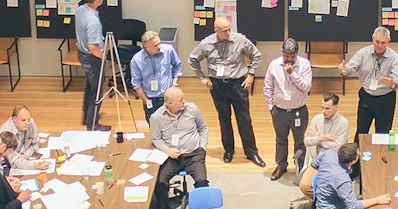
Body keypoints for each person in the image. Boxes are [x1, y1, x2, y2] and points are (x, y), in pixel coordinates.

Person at [188, 16, 264, 167]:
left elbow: (256, 54)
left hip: (238, 84)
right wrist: (202, 77)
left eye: (229, 29)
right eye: (224, 31)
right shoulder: (206, 43)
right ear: (216, 30)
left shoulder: (240, 40)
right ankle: (228, 150)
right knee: (224, 119)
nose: (228, 33)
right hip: (218, 86)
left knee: (245, 120)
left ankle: (251, 152)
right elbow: (192, 59)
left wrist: (251, 74)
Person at [147, 87, 209, 209]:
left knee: (202, 180)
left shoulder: (192, 109)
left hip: (194, 154)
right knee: (160, 180)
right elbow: (156, 139)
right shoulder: (156, 117)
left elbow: (203, 129)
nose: (184, 102)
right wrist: (166, 150)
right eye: (180, 100)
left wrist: (202, 148)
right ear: (170, 104)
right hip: (172, 157)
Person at [312, 142, 390, 209]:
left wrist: (326, 177)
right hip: (330, 207)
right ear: (353, 161)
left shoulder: (329, 154)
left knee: (372, 206)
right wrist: (377, 200)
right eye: (358, 154)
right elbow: (353, 206)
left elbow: (314, 164)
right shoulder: (342, 180)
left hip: (335, 196)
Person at [263, 38, 313, 181]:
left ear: (297, 54)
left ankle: (300, 168)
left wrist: (292, 74)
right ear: (282, 53)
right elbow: (268, 87)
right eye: (286, 56)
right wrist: (271, 107)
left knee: (300, 141)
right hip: (279, 111)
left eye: (292, 57)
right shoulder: (274, 65)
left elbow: (307, 87)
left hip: (299, 111)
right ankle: (281, 166)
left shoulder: (304, 65)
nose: (289, 60)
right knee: (280, 140)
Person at [340, 26, 398, 134]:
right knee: (361, 130)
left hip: (386, 99)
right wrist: (345, 71)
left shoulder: (394, 57)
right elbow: (350, 67)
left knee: (383, 132)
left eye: (383, 43)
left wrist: (392, 84)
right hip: (366, 96)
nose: (379, 45)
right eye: (377, 41)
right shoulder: (363, 53)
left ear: (389, 41)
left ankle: (380, 151)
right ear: (372, 39)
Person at [301, 92, 350, 198]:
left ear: (336, 107)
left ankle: (325, 203)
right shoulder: (316, 119)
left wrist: (318, 138)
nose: (323, 111)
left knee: (331, 188)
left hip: (335, 162)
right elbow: (307, 141)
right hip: (317, 161)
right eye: (322, 107)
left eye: (327, 108)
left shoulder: (343, 123)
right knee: (304, 186)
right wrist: (322, 137)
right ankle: (318, 202)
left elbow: (338, 148)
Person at [75, 0, 109, 131]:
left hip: (81, 54)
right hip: (92, 58)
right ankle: (92, 123)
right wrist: (103, 58)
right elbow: (93, 46)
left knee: (90, 86)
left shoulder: (80, 9)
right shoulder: (93, 21)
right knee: (96, 91)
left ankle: (87, 117)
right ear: (97, 0)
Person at [130, 30, 183, 123]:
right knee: (154, 128)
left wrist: (174, 83)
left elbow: (177, 66)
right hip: (150, 99)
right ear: (146, 47)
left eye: (159, 43)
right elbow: (136, 83)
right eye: (155, 45)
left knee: (172, 125)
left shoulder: (168, 50)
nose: (159, 47)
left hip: (168, 97)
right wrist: (145, 100)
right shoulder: (136, 60)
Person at [0, 105, 50, 171]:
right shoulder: (5, 135)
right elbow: (14, 162)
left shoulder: (30, 122)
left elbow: (36, 144)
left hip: (24, 158)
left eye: (28, 119)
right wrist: (35, 165)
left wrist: (26, 155)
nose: (27, 123)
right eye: (23, 120)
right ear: (14, 119)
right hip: (10, 166)